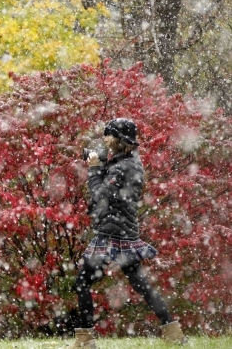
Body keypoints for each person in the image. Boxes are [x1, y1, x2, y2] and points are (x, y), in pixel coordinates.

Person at [65, 118, 187, 348]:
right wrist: (101, 165)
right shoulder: (127, 162)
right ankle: (173, 332)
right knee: (142, 285)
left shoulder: (122, 167)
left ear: (119, 139)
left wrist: (94, 169)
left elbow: (99, 197)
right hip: (122, 233)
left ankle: (85, 340)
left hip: (113, 236)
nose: (105, 139)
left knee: (82, 281)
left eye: (108, 135)